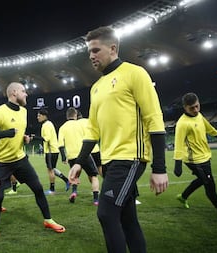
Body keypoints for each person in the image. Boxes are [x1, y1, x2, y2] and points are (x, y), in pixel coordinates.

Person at [69, 26, 168, 253]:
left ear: (112, 48)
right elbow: (92, 130)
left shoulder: (135, 73)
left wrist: (159, 167)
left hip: (131, 157)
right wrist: (78, 162)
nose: (91, 56)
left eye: (96, 50)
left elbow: (154, 119)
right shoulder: (95, 88)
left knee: (106, 213)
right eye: (89, 52)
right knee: (127, 218)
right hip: (111, 160)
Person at [0, 82, 65, 241]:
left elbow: (19, 133)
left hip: (20, 159)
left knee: (38, 188)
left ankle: (48, 220)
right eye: (23, 91)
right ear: (13, 93)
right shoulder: (0, 112)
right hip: (1, 162)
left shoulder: (25, 112)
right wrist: (6, 133)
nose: (26, 94)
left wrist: (24, 139)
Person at [173, 92, 217, 219]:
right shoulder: (182, 123)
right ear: (185, 107)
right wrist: (177, 163)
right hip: (194, 160)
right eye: (192, 108)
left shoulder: (199, 115)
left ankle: (183, 196)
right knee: (209, 184)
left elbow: (209, 128)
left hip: (204, 156)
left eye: (197, 106)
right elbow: (178, 144)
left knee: (203, 180)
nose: (195, 110)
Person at [58, 107, 99, 204]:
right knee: (93, 176)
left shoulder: (62, 127)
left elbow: (60, 144)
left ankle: (74, 192)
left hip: (72, 156)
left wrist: (64, 157)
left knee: (74, 176)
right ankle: (96, 199)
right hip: (83, 154)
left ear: (67, 116)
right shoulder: (80, 124)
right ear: (75, 115)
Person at [33, 108, 70, 195]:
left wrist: (34, 137)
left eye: (39, 116)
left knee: (50, 170)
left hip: (51, 151)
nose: (37, 117)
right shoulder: (48, 124)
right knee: (52, 169)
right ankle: (67, 180)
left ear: (44, 116)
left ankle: (52, 189)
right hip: (52, 150)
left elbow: (47, 138)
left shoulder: (46, 125)